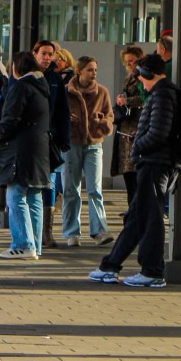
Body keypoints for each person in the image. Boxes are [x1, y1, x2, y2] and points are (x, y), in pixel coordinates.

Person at [90, 54, 177, 288]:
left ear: (149, 73)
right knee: (137, 218)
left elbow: (158, 132)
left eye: (142, 76)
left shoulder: (162, 95)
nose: (140, 82)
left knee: (150, 219)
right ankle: (110, 265)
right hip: (153, 162)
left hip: (154, 163)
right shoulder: (160, 94)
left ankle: (152, 271)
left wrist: (138, 144)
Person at [0, 51, 53, 259]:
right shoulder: (42, 88)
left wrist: (1, 136)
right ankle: (35, 245)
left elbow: (11, 118)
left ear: (17, 68)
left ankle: (23, 244)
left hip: (20, 149)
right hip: (39, 149)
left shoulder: (21, 87)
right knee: (34, 197)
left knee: (16, 196)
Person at [62, 55, 114, 247]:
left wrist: (102, 122)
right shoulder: (66, 92)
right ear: (79, 71)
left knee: (95, 189)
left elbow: (109, 116)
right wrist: (68, 121)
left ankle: (100, 230)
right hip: (72, 143)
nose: (94, 73)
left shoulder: (102, 92)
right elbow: (57, 115)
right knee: (71, 189)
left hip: (94, 144)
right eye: (90, 69)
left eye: (95, 70)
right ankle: (71, 232)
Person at [31, 39, 73, 250]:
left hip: (50, 138)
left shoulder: (55, 78)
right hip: (31, 138)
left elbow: (63, 110)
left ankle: (47, 231)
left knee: (50, 183)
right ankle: (32, 230)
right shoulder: (27, 75)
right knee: (31, 184)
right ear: (35, 53)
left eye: (51, 54)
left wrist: (63, 138)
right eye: (44, 53)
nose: (48, 58)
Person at [112, 44, 147, 203]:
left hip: (137, 124)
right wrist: (122, 99)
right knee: (128, 170)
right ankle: (131, 206)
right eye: (127, 62)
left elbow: (145, 97)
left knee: (135, 169)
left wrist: (127, 101)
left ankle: (136, 206)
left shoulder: (144, 77)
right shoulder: (130, 77)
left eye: (132, 61)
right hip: (126, 125)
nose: (129, 64)